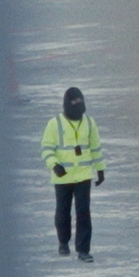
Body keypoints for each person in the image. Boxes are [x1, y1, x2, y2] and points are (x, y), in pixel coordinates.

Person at [40, 86, 107, 262]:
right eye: (74, 102)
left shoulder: (90, 123)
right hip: (62, 177)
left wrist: (100, 169)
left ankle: (83, 250)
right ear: (66, 104)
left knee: (83, 212)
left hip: (83, 176)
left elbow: (95, 148)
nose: (77, 105)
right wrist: (54, 165)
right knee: (63, 212)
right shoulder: (54, 124)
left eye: (80, 102)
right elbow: (46, 149)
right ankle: (63, 241)